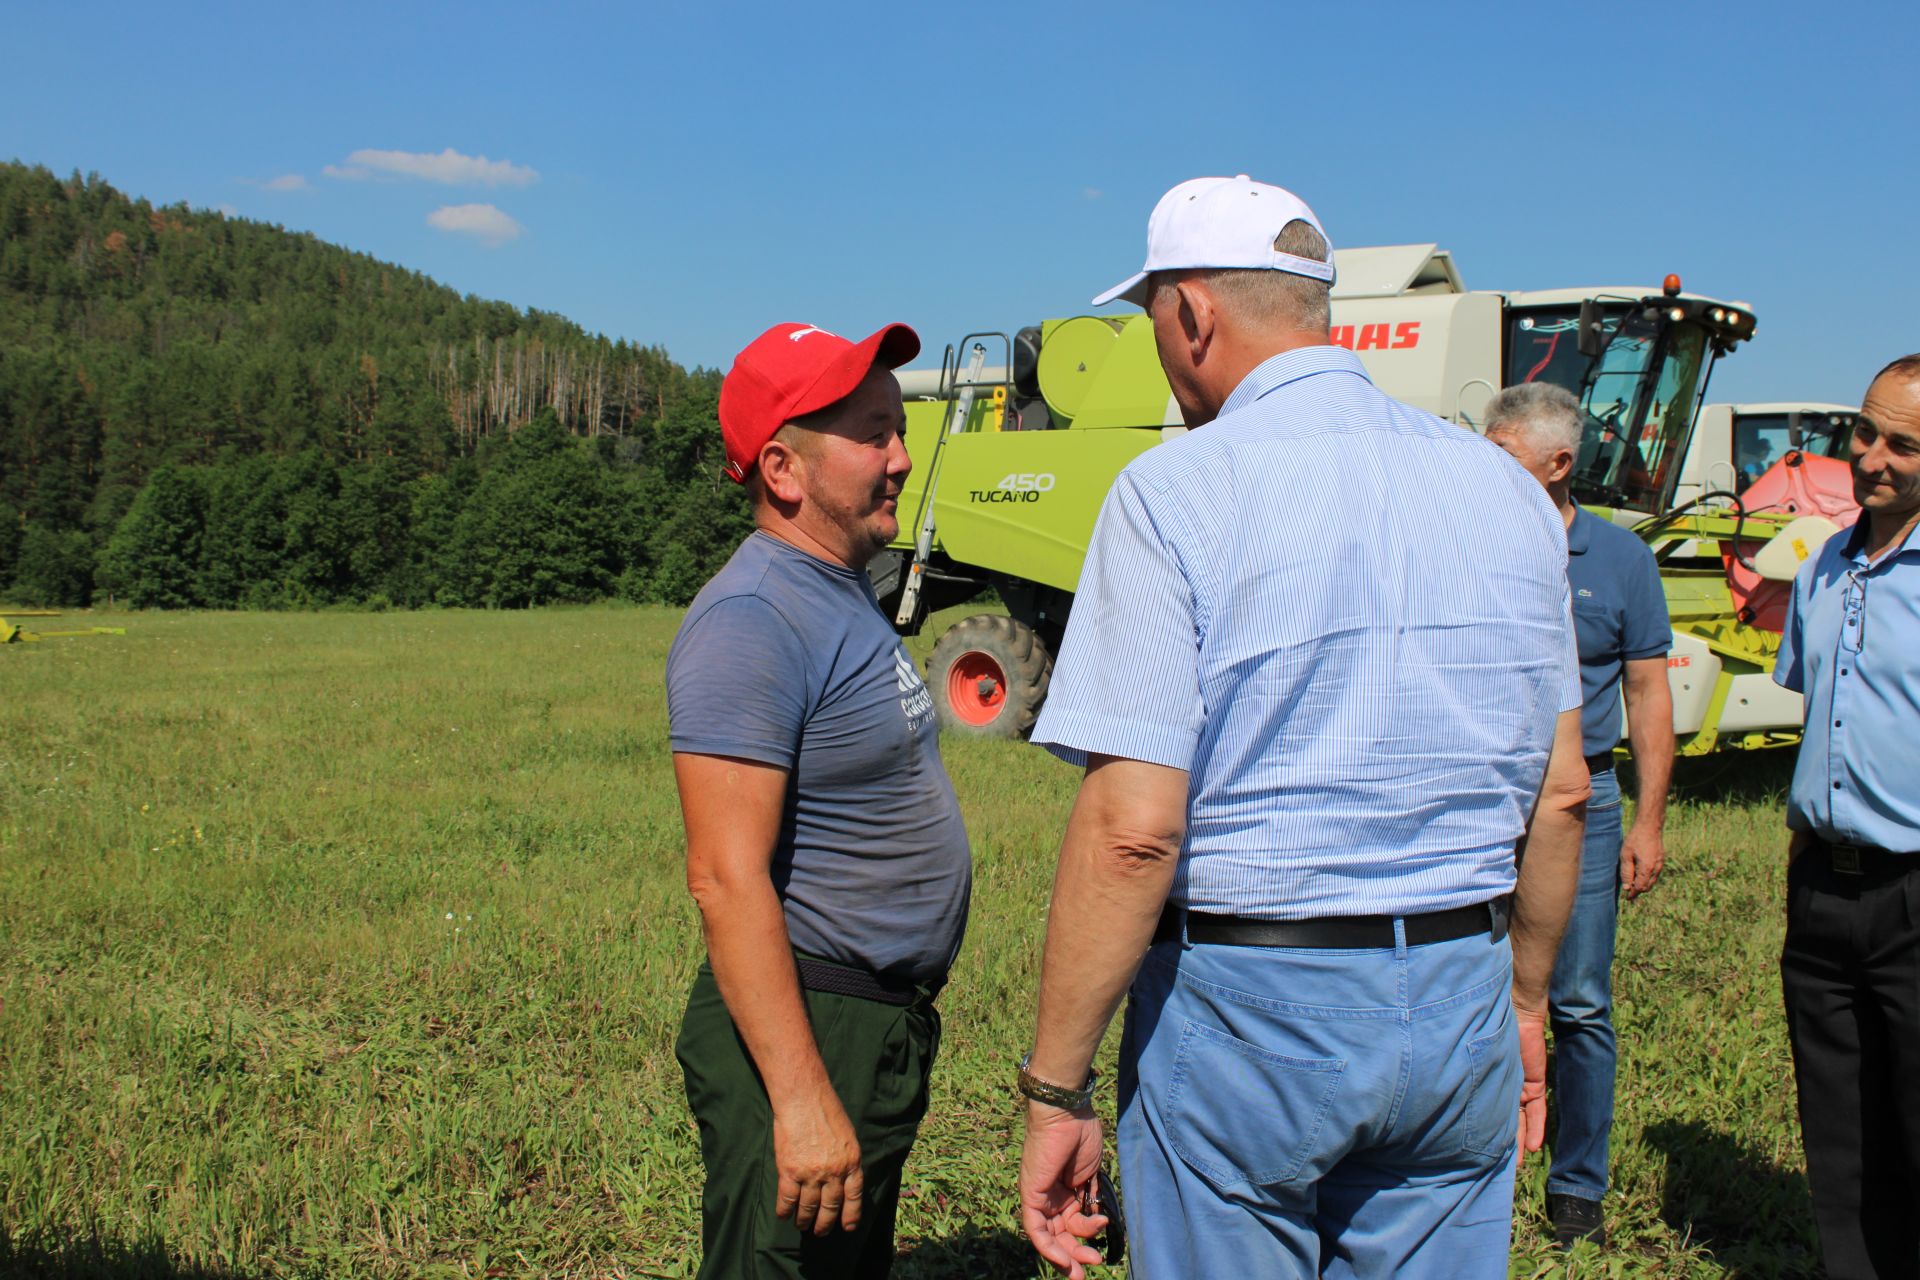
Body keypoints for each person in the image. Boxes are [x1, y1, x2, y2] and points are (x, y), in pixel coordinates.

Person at [1014, 174, 1592, 1279]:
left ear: (1191, 314)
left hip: (1250, 1003)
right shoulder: (1507, 490)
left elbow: (1135, 829)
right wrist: (1525, 1002)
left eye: (1151, 324)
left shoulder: (1173, 488)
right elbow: (1562, 790)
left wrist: (1056, 1086)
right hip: (1459, 982)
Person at [666, 321, 972, 1279]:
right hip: (809, 1021)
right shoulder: (753, 617)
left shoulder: (837, 589)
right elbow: (724, 876)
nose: (902, 456)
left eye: (898, 427)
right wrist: (799, 1099)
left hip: (863, 1022)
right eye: (873, 433)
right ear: (784, 470)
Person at [1485, 382, 1676, 1248]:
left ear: (1558, 464)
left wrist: (1647, 821)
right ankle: (1479, 1160)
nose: (1485, 469)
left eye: (1504, 454)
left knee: (1581, 1000)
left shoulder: (1620, 559)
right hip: (1486, 796)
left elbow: (1647, 692)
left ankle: (1577, 1187)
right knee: (1475, 985)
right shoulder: (1469, 544)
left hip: (1588, 801)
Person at [1776, 354, 1920, 1280]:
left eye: (1903, 443)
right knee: (1838, 1131)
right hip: (1822, 886)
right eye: (1865, 433)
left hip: (1914, 894)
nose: (1872, 457)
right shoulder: (1827, 562)